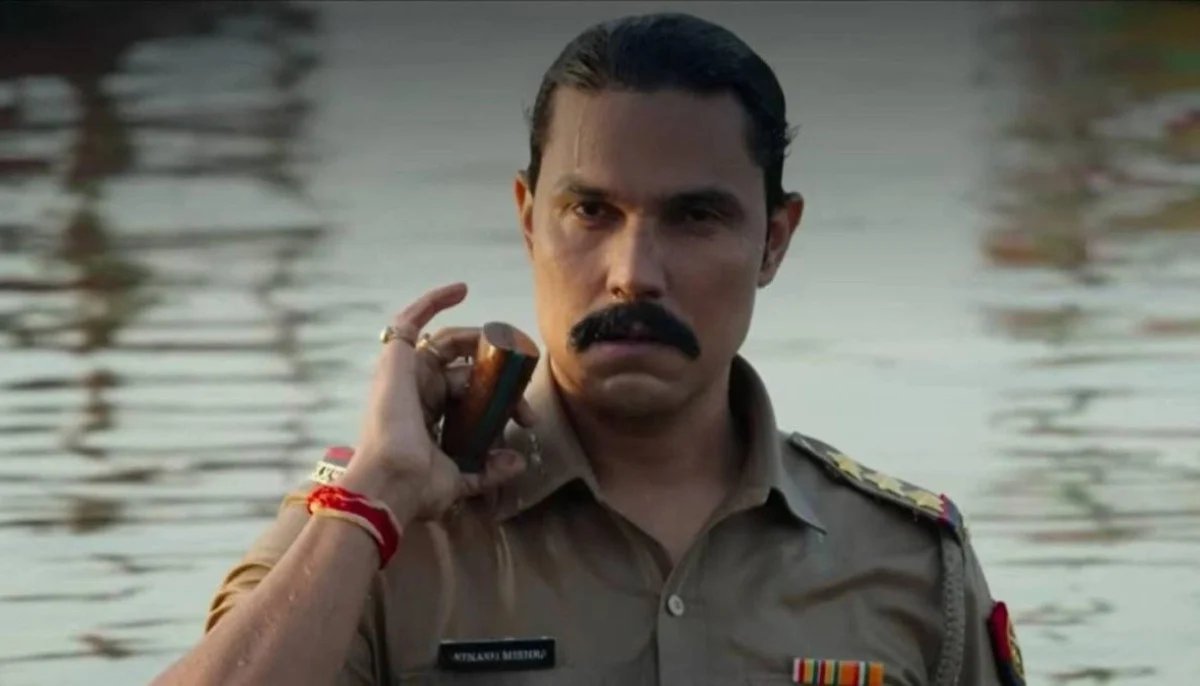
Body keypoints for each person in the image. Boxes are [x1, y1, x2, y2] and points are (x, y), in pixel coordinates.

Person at [150, 12, 1024, 686]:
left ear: (774, 240)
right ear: (529, 220)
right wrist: (372, 502)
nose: (633, 275)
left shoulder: (906, 564)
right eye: (591, 212)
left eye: (695, 216)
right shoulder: (373, 543)